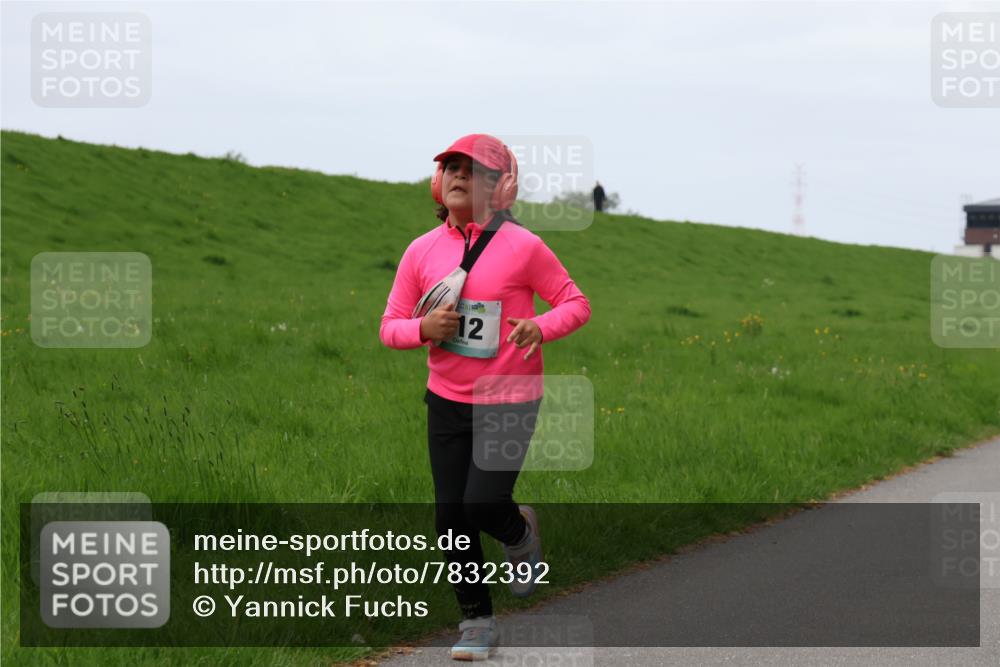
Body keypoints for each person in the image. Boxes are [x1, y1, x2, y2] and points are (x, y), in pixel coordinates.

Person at [379, 134, 591, 661]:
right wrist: (423, 328)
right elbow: (389, 327)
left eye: (471, 170)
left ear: (500, 187)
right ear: (437, 181)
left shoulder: (524, 246)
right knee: (449, 519)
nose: (456, 175)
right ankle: (476, 621)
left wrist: (539, 327)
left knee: (482, 504)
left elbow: (576, 302)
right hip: (445, 400)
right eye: (450, 167)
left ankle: (519, 533)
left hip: (510, 395)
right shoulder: (420, 251)